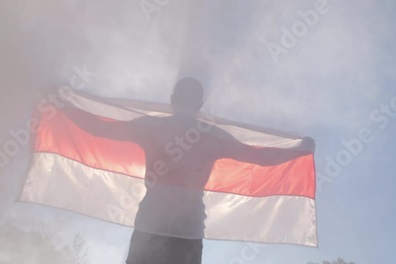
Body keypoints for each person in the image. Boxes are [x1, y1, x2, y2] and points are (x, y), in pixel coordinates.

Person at [63, 78, 313, 264]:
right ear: (200, 103)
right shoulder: (211, 136)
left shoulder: (151, 127)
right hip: (186, 231)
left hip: (155, 223)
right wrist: (298, 151)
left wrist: (61, 105)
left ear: (173, 98)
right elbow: (258, 157)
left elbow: (98, 128)